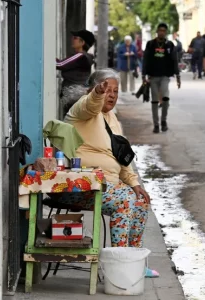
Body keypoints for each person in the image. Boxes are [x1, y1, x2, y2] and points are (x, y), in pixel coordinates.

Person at [61, 68, 159, 277]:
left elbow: (122, 153)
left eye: (115, 90)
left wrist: (134, 183)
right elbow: (90, 104)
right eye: (108, 90)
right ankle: (119, 267)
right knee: (125, 200)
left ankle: (134, 263)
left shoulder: (111, 117)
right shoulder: (81, 111)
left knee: (140, 200)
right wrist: (97, 93)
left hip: (109, 186)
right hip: (82, 186)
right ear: (91, 90)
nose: (112, 95)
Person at [143, 23, 181, 133]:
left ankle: (163, 121)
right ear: (157, 31)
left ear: (166, 32)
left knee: (165, 98)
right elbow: (145, 60)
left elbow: (175, 61)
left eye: (164, 30)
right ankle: (156, 124)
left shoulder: (169, 45)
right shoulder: (150, 44)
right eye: (160, 30)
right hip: (153, 76)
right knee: (154, 101)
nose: (162, 32)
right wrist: (143, 75)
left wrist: (178, 76)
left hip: (165, 76)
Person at [56, 29, 95, 98]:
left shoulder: (80, 56)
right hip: (76, 93)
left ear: (82, 42)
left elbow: (59, 65)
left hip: (72, 94)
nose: (72, 39)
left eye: (75, 38)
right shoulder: (85, 57)